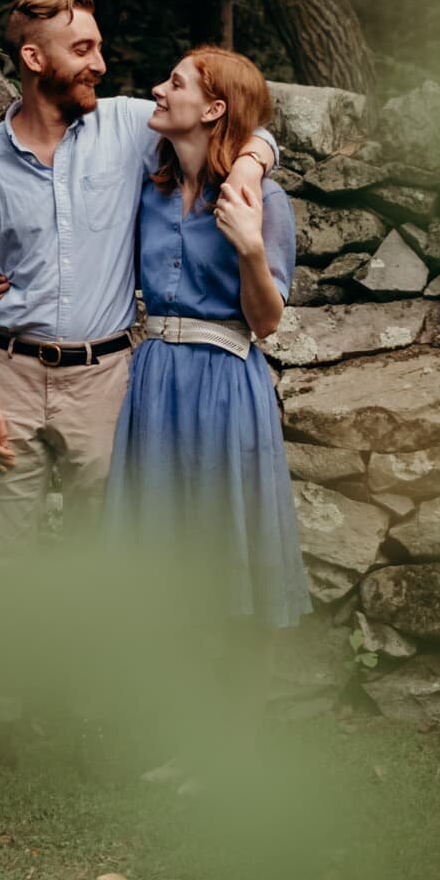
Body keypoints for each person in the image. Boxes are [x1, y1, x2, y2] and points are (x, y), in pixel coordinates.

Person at [0, 0, 276, 547]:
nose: (100, 65)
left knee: (107, 558)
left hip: (106, 382)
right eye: (83, 49)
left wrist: (247, 168)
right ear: (34, 59)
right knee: (1, 563)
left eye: (99, 48)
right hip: (9, 379)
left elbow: (244, 124)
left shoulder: (130, 128)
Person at [103, 47, 309, 629]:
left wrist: (249, 246)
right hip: (153, 378)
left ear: (214, 108)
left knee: (226, 540)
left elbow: (266, 322)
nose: (158, 90)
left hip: (226, 380)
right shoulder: (150, 190)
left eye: (175, 83)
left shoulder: (264, 201)